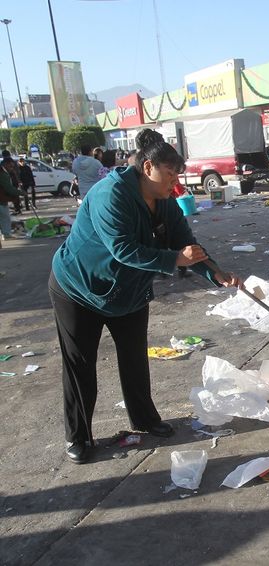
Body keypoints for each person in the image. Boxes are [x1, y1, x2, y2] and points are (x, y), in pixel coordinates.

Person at [49, 129, 241, 464]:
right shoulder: (111, 194)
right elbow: (122, 249)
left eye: (177, 176)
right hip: (79, 288)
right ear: (148, 167)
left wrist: (215, 272)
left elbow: (186, 243)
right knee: (81, 365)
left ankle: (144, 419)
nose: (174, 183)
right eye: (170, 175)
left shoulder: (165, 203)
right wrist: (173, 259)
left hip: (129, 292)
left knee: (135, 358)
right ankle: (77, 437)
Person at [0, 158, 18, 238]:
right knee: (5, 217)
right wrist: (20, 193)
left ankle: (5, 233)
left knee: (4, 217)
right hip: (1, 199)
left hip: (2, 198)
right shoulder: (3, 174)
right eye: (10, 166)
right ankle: (6, 234)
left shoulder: (4, 173)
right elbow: (8, 188)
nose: (11, 168)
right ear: (5, 164)